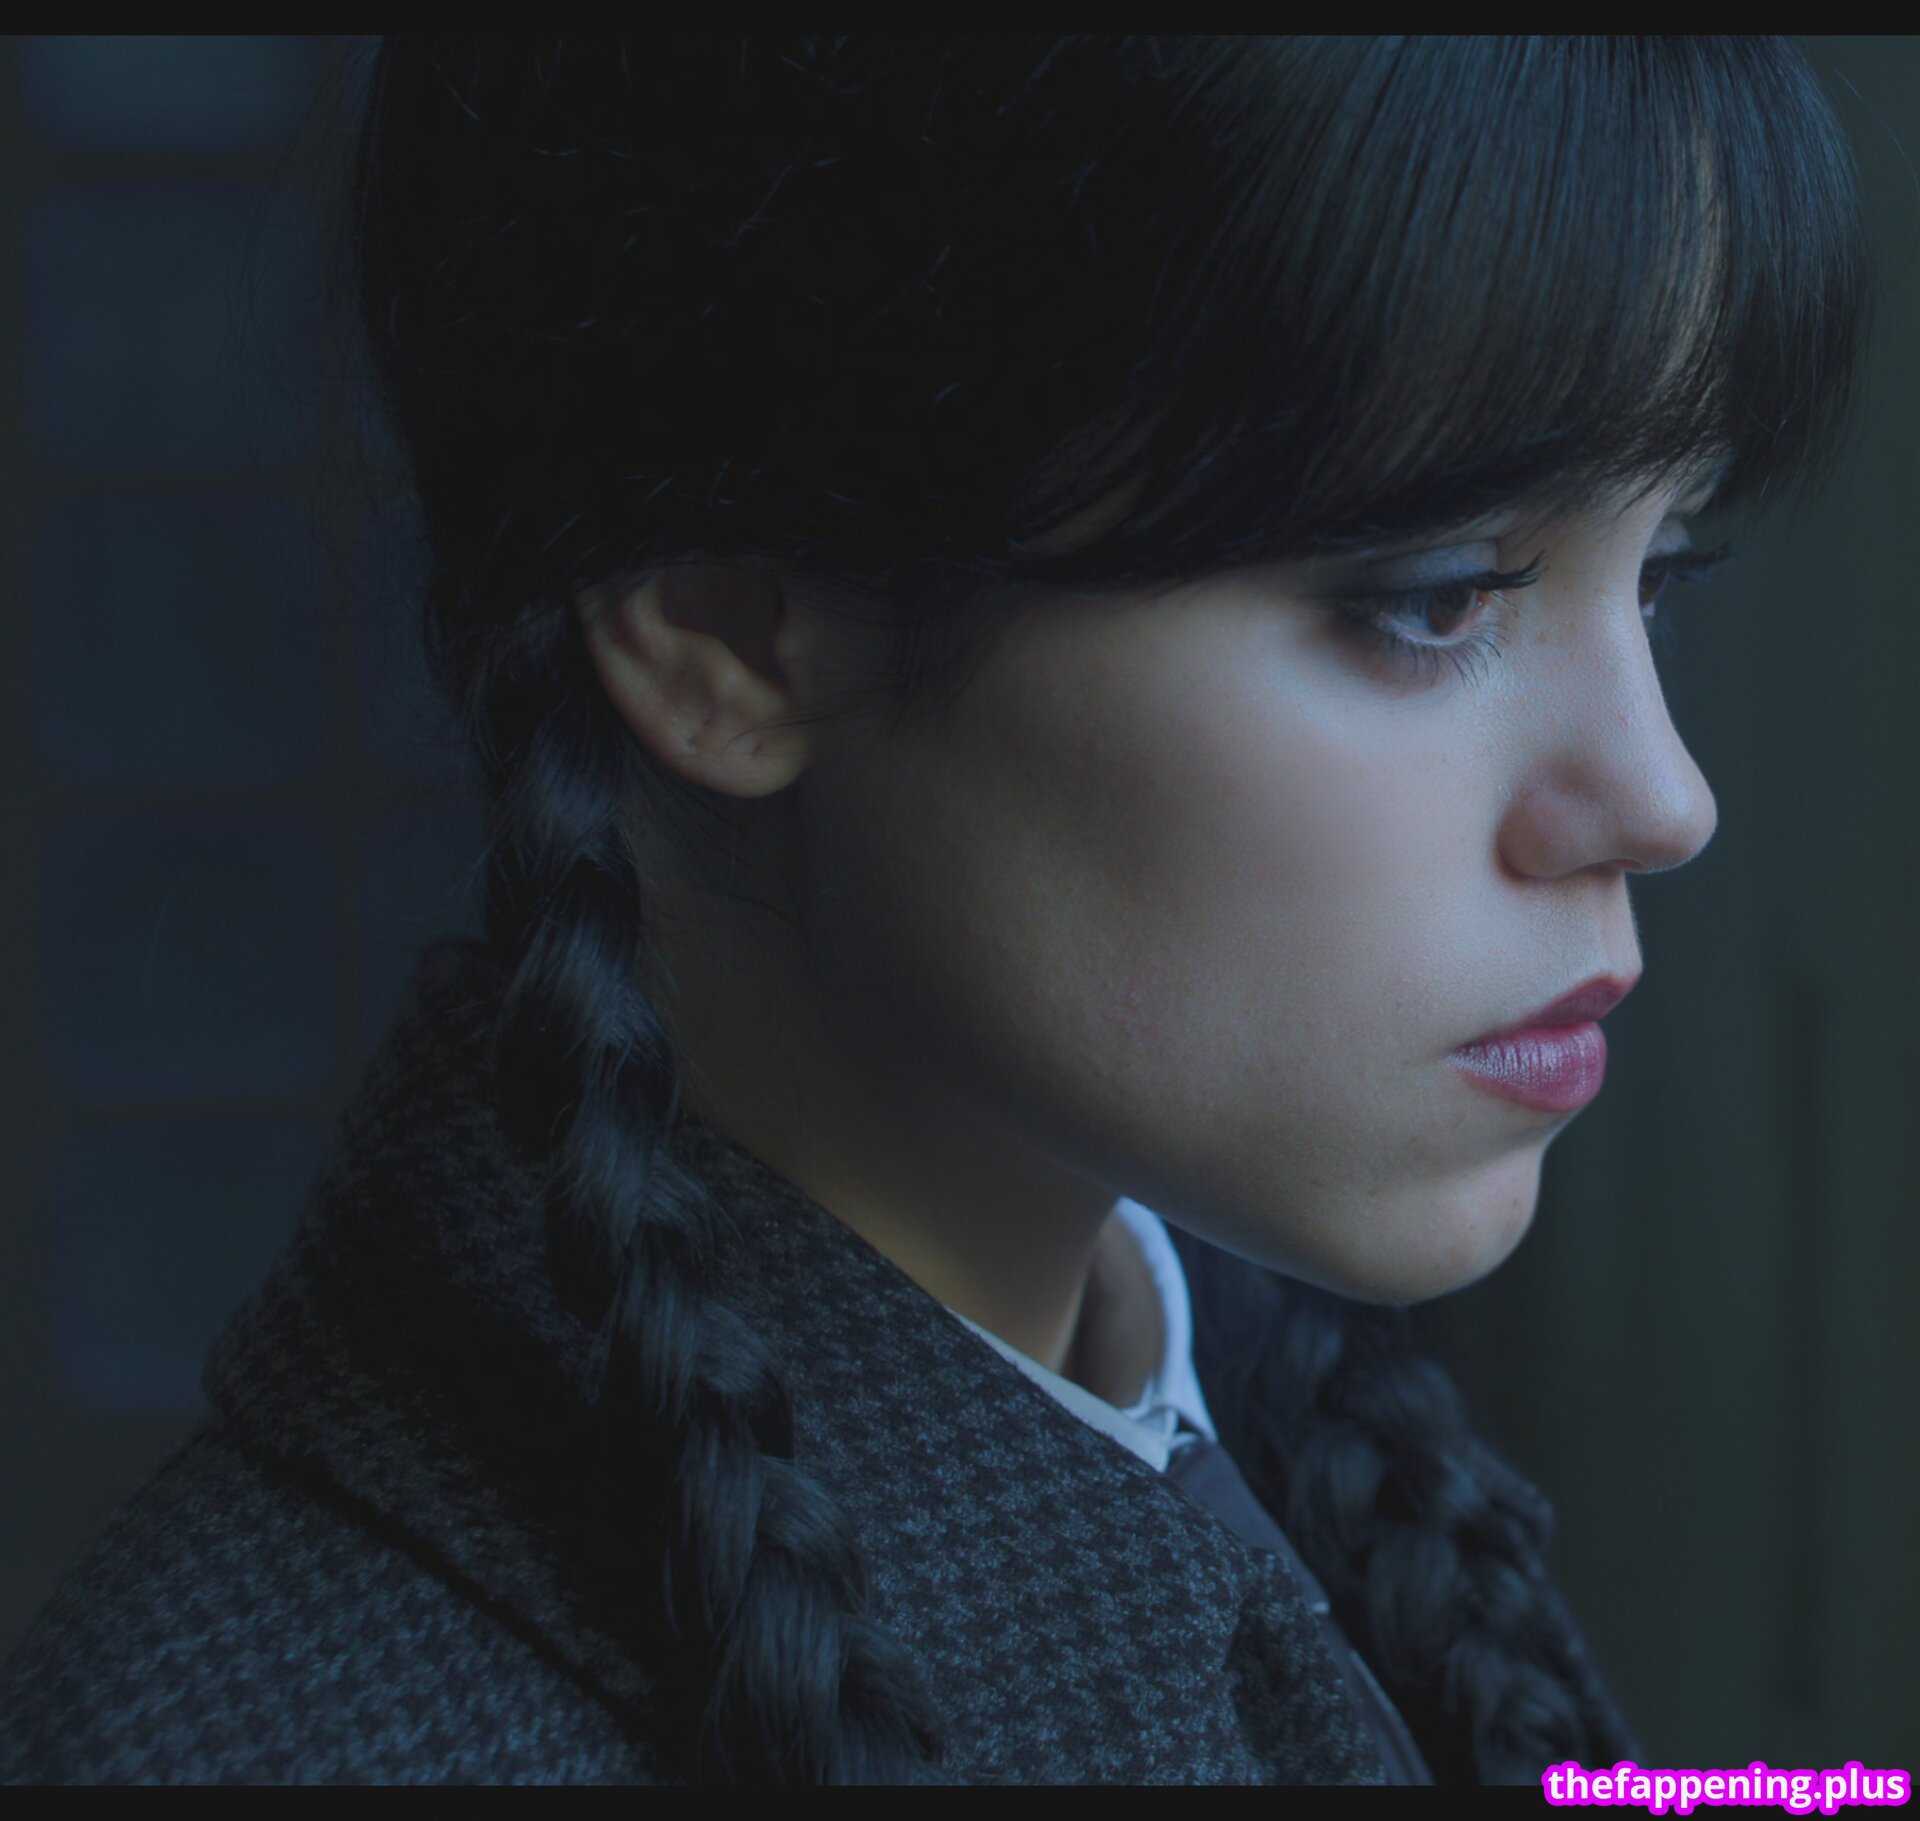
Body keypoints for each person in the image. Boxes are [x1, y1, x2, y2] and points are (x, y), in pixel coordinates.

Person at [0, 36, 1871, 1786]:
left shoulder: (1286, 1441)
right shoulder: (277, 1735)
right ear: (727, 631)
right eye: (1436, 595)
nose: (1665, 796)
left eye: (1661, 571)